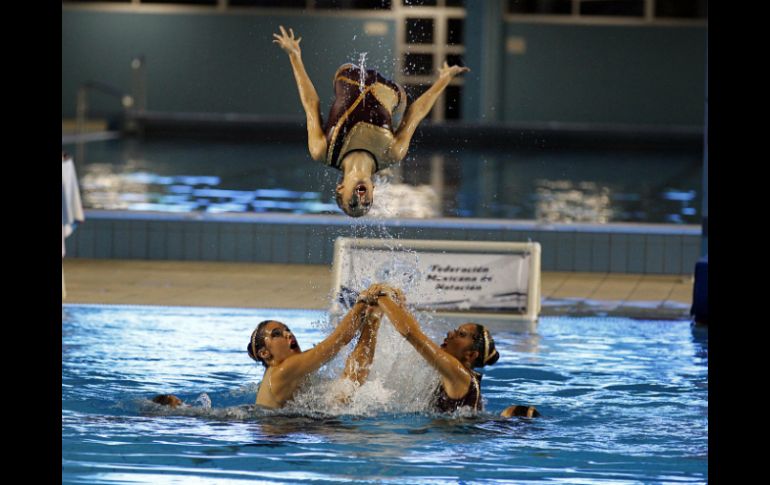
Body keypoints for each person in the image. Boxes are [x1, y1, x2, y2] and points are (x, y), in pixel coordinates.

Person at [273, 26, 470, 217]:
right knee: (399, 106)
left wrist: (294, 56)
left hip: (348, 77)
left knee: (345, 73)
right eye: (367, 203)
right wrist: (443, 79)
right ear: (373, 190)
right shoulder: (392, 154)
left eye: (353, 203)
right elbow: (415, 114)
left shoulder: (322, 150)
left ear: (340, 188)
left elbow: (310, 104)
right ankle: (388, 115)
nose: (361, 199)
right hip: (390, 92)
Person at [367, 284, 539, 417]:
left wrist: (381, 296)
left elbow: (412, 335)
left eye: (461, 334)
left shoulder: (460, 374)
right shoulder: (463, 376)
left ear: (470, 355)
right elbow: (416, 333)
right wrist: (399, 306)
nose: (451, 333)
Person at [247, 289, 383, 409]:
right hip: (277, 428)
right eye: (277, 334)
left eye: (287, 329)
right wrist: (362, 302)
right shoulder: (283, 370)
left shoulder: (289, 368)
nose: (288, 334)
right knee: (344, 397)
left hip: (289, 424)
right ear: (265, 353)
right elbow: (338, 340)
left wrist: (366, 314)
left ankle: (373, 319)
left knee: (346, 389)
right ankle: (374, 320)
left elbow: (336, 344)